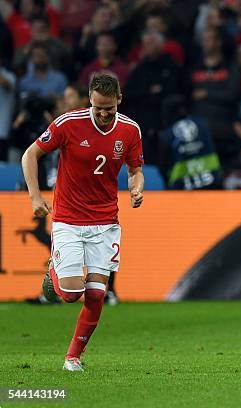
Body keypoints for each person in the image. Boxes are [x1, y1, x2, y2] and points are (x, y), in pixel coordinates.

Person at [21, 73, 144, 371]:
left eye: (109, 109)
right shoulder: (67, 124)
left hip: (105, 221)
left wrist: (137, 186)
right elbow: (30, 155)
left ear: (119, 100)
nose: (103, 114)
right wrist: (36, 197)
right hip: (69, 220)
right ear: (89, 99)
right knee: (71, 293)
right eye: (98, 107)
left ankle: (72, 357)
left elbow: (135, 168)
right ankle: (55, 269)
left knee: (97, 294)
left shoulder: (130, 130)